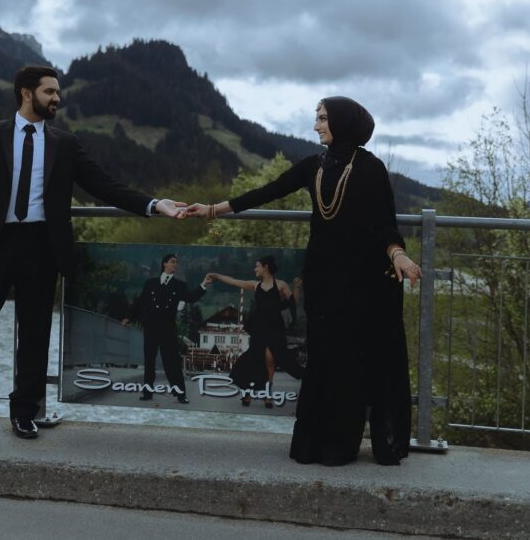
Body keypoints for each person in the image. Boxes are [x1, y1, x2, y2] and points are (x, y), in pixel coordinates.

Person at [0, 65, 185, 442]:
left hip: (41, 249)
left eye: (57, 92)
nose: (57, 99)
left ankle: (24, 414)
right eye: (50, 92)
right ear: (26, 93)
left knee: (34, 334)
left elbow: (103, 185)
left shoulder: (65, 144)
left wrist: (152, 203)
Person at [184, 97, 421, 465]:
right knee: (324, 357)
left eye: (323, 118)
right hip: (323, 278)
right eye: (317, 118)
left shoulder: (370, 168)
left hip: (361, 284)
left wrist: (399, 255)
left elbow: (384, 224)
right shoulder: (315, 165)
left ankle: (344, 445)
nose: (316, 126)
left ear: (343, 122)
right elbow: (268, 191)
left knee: (352, 359)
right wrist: (214, 209)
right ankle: (319, 441)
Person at [207, 256, 303, 408]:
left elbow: (293, 303)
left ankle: (267, 393)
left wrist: (297, 287)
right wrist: (217, 276)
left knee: (271, 360)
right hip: (259, 326)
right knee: (254, 359)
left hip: (274, 327)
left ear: (265, 267)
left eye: (257, 266)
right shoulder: (255, 284)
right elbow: (234, 281)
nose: (255, 269)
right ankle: (248, 393)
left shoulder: (281, 284)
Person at [122, 255, 210, 404]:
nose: (175, 264)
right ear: (164, 264)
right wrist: (129, 317)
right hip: (151, 327)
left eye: (176, 262)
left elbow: (191, 298)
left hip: (168, 329)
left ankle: (181, 394)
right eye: (172, 262)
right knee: (149, 361)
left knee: (172, 362)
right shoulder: (150, 283)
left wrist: (203, 285)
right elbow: (140, 302)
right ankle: (147, 393)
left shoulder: (179, 285)